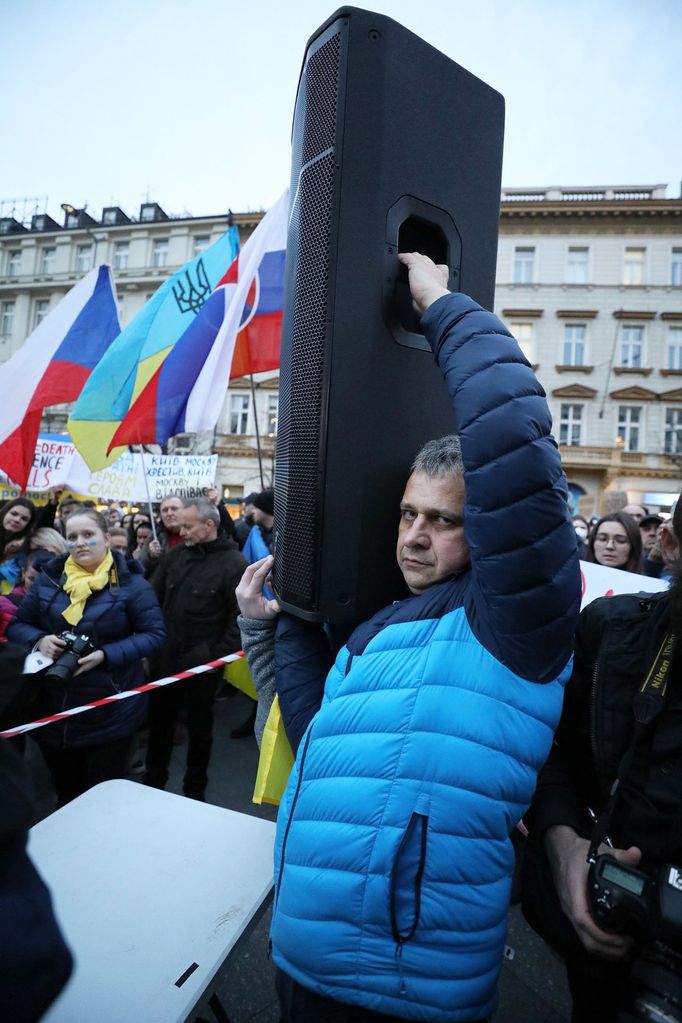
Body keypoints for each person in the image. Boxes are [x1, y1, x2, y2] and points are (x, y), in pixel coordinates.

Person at [236, 252, 581, 1023]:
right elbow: (316, 728)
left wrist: (442, 306)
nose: (416, 537)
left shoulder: (512, 620)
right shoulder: (378, 629)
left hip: (404, 992)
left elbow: (514, 446)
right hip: (303, 966)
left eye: (445, 520)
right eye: (407, 514)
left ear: (485, 530)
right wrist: (276, 622)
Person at [521, 496, 682, 1022]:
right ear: (672, 546)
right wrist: (564, 846)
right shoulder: (609, 629)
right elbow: (548, 748)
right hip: (606, 937)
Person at [8, 508, 165, 806]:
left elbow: (154, 634)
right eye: (72, 536)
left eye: (88, 534)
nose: (79, 542)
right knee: (65, 793)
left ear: (106, 538)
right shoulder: (49, 579)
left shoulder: (133, 585)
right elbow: (19, 625)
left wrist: (105, 655)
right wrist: (40, 640)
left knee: (97, 799)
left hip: (108, 709)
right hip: (51, 706)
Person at [143, 498, 246, 801]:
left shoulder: (234, 564)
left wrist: (212, 657)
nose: (182, 531)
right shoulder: (174, 557)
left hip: (202, 669)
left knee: (200, 730)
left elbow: (238, 621)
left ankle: (195, 790)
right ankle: (152, 785)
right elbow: (152, 597)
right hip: (165, 660)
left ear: (209, 525)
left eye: (188, 526)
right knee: (159, 727)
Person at [139, 493, 184, 577]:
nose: (169, 513)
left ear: (185, 511)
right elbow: (140, 571)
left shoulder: (195, 533)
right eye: (165, 510)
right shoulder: (154, 537)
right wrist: (151, 558)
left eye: (174, 509)